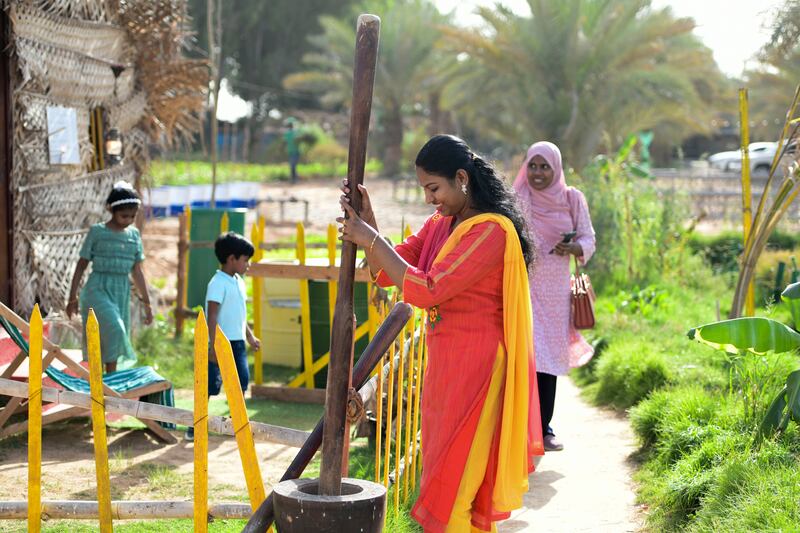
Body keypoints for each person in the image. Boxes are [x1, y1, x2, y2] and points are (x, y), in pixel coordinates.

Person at [338, 134, 544, 533]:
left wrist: (372, 238)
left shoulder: (491, 231)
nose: (430, 199)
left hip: (478, 369)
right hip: (446, 365)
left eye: (434, 188)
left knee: (458, 485)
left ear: (461, 178)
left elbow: (428, 288)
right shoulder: (441, 224)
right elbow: (387, 272)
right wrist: (369, 222)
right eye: (425, 190)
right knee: (442, 475)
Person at [513, 141, 596, 452]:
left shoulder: (572, 198)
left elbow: (588, 237)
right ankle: (519, 427)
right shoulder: (516, 198)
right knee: (525, 355)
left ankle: (544, 427)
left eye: (544, 166)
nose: (537, 173)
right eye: (532, 165)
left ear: (556, 168)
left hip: (556, 293)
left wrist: (574, 247)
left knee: (547, 360)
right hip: (521, 285)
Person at [66, 181, 153, 373]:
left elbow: (137, 271)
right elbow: (81, 265)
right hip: (97, 289)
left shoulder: (134, 235)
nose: (128, 219)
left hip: (120, 292)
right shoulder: (97, 232)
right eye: (124, 215)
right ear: (111, 210)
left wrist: (148, 304)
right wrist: (72, 297)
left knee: (109, 341)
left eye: (132, 216)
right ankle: (103, 382)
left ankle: (109, 383)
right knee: (115, 329)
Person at [185, 232, 261, 441]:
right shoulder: (217, 283)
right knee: (209, 385)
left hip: (237, 343)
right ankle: (194, 426)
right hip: (220, 343)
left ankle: (237, 423)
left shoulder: (239, 282)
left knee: (241, 381)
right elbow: (212, 315)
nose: (248, 264)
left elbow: (241, 316)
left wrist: (250, 337)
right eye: (246, 260)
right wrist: (212, 345)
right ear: (231, 259)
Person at [284, 119, 301, 184]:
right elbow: (285, 142)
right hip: (290, 152)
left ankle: (294, 179)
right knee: (292, 166)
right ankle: (293, 179)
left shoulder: (295, 133)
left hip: (295, 152)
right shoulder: (288, 133)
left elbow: (298, 141)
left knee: (293, 165)